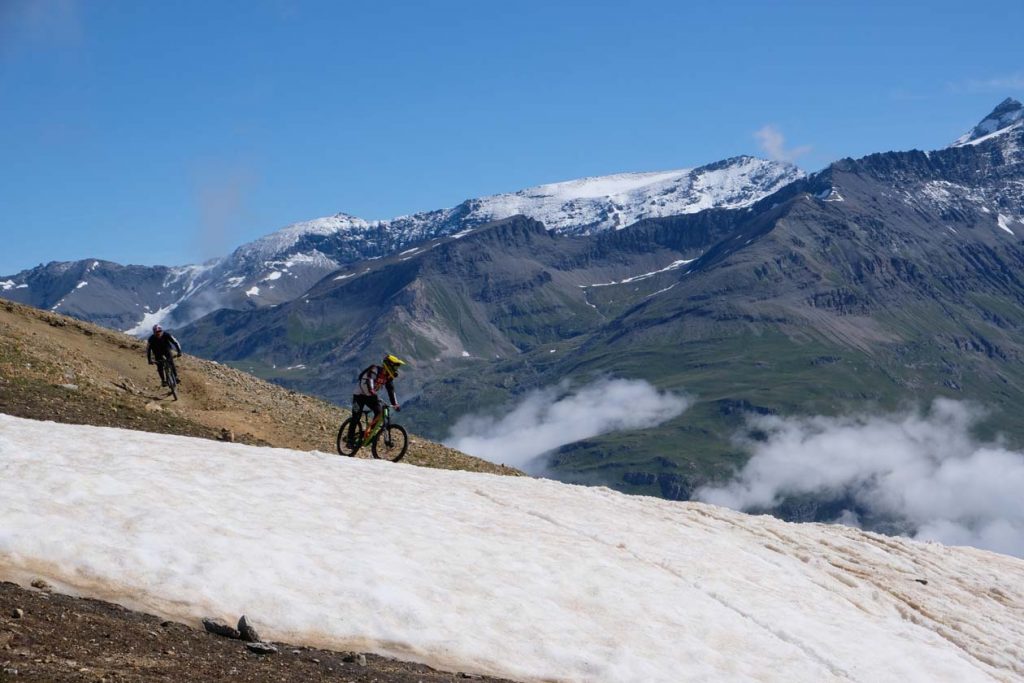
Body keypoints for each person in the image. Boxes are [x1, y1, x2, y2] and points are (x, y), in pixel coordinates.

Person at [346, 353, 406, 446]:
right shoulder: (375, 370)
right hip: (359, 396)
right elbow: (369, 381)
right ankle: (349, 439)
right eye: (394, 367)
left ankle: (369, 433)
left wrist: (395, 404)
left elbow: (391, 390)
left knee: (379, 412)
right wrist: (372, 391)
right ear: (389, 365)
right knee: (356, 417)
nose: (396, 370)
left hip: (371, 396)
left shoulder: (388, 377)